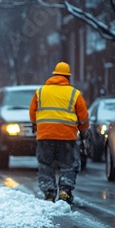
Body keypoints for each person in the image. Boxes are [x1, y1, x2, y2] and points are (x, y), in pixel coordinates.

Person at [29, 62, 89, 204]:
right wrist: (84, 133)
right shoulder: (74, 93)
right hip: (67, 136)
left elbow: (33, 113)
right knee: (69, 165)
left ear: (54, 75)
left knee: (45, 164)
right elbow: (84, 117)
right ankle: (65, 191)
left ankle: (49, 193)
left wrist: (37, 125)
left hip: (45, 136)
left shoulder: (41, 91)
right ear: (68, 77)